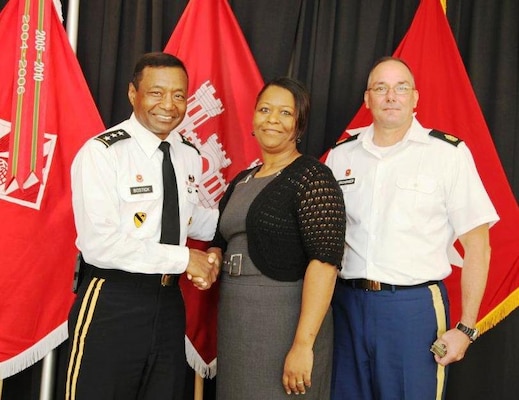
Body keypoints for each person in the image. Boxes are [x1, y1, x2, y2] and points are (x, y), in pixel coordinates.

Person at [325, 56, 499, 400]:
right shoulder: (340, 157)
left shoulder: (446, 154)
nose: (391, 96)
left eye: (401, 87)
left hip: (412, 310)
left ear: (415, 98)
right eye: (381, 88)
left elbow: (478, 245)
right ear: (367, 98)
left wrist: (466, 327)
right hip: (345, 307)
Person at [65, 52, 220, 400]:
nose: (169, 104)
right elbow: (100, 244)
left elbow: (190, 218)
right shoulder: (103, 153)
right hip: (114, 300)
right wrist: (185, 260)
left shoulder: (187, 153)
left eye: (179, 95)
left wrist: (230, 233)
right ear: (133, 94)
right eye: (156, 93)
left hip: (168, 303)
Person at [209, 77, 346, 399]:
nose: (272, 118)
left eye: (285, 113)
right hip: (237, 322)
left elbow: (325, 263)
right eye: (265, 109)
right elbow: (221, 238)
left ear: (299, 126)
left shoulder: (312, 177)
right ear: (254, 118)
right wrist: (213, 257)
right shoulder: (242, 180)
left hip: (284, 322)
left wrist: (302, 346)